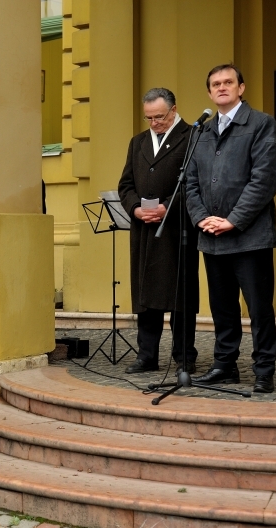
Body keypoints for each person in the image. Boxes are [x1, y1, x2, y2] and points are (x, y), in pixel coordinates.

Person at [185, 64, 276, 394]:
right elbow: (191, 183)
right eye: (215, 84)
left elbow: (263, 181)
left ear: (241, 88)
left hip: (250, 237)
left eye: (229, 82)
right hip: (212, 237)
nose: (222, 87)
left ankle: (264, 369)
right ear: (210, 93)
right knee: (222, 308)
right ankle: (225, 366)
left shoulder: (261, 124)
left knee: (258, 308)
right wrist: (201, 219)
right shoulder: (201, 131)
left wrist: (233, 220)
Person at [118, 88, 199, 375]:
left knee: (180, 297)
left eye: (160, 117)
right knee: (145, 295)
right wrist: (135, 209)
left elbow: (194, 183)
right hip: (144, 231)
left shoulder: (192, 137)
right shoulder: (137, 142)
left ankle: (184, 357)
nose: (154, 123)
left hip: (176, 230)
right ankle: (147, 355)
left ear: (174, 110)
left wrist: (167, 206)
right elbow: (125, 184)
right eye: (149, 117)